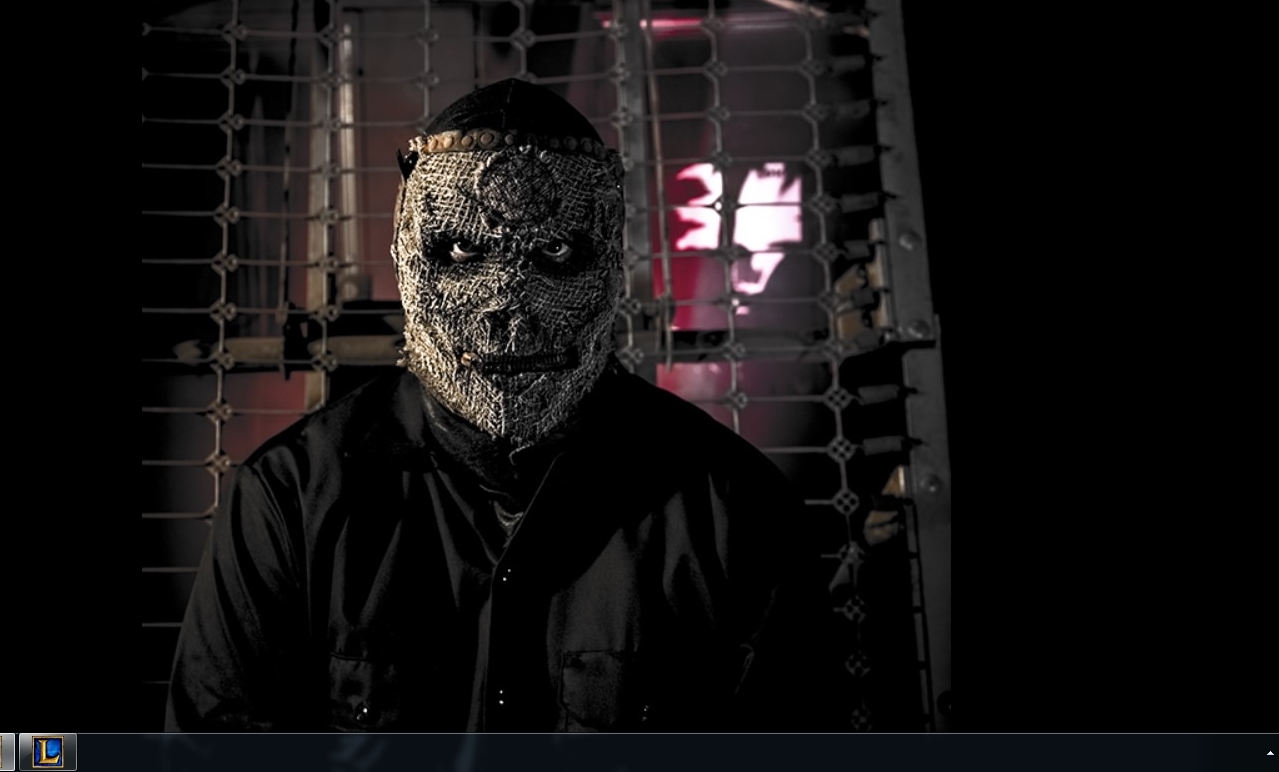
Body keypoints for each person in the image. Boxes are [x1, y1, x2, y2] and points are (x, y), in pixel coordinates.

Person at [166, 78, 827, 731]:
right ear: (406, 251)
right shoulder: (292, 500)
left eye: (555, 250)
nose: (506, 306)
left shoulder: (733, 511)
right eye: (461, 248)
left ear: (608, 263)